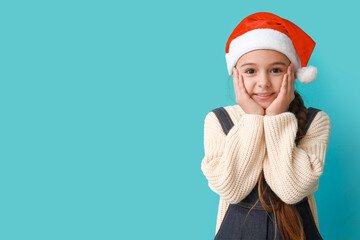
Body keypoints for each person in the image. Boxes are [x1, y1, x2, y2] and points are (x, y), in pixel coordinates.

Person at [201, 12, 331, 240]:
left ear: (292, 73)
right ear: (235, 75)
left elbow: (293, 191)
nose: (263, 82)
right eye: (250, 71)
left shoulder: (316, 121)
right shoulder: (219, 121)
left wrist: (275, 118)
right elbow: (231, 189)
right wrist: (253, 118)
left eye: (276, 70)